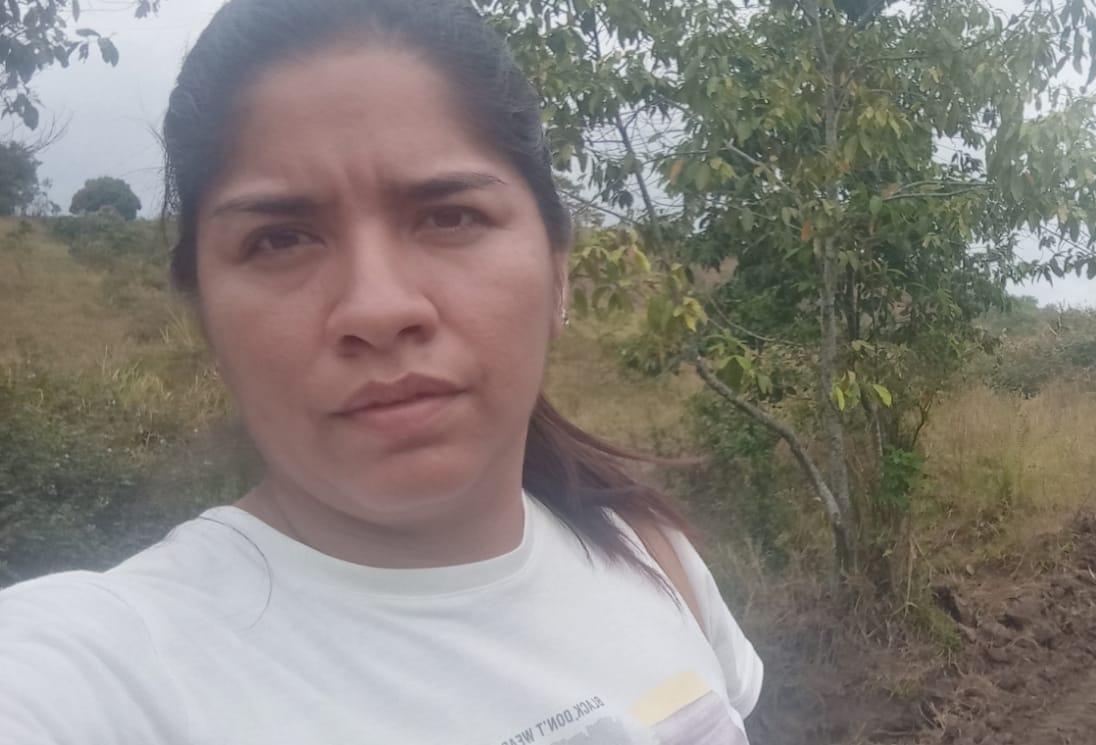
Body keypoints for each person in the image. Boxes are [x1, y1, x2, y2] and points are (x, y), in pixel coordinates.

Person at [0, 1, 762, 742]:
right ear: (205, 313)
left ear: (558, 269)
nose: (377, 307)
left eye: (449, 216)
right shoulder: (114, 669)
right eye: (280, 239)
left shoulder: (648, 552)